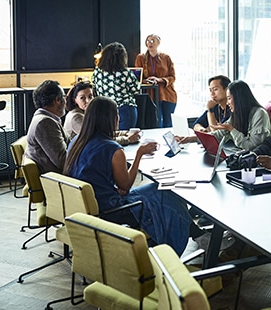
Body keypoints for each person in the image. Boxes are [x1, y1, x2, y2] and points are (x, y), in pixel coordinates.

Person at [63, 96, 192, 254]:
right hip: (111, 210)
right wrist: (139, 154)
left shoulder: (76, 141)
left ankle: (190, 234)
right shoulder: (112, 149)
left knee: (159, 192)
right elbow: (126, 185)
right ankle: (174, 248)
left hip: (88, 207)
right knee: (166, 193)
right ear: (112, 118)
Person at [63, 81, 141, 146]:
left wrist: (125, 133)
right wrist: (127, 139)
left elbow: (103, 134)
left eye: (90, 96)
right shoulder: (75, 117)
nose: (88, 101)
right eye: (82, 98)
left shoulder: (88, 113)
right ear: (74, 100)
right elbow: (98, 140)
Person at [212, 80, 271, 151]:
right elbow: (219, 135)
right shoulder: (238, 114)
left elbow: (251, 146)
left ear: (238, 98)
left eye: (229, 98)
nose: (227, 103)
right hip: (245, 158)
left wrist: (232, 129)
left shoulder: (260, 114)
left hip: (260, 160)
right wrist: (199, 137)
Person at [25, 80, 70, 174]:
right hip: (57, 179)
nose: (66, 101)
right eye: (65, 97)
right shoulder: (45, 123)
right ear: (57, 100)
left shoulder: (43, 118)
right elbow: (62, 161)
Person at [93, 42, 140, 130]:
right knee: (126, 138)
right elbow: (136, 89)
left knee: (109, 138)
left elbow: (94, 86)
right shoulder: (124, 73)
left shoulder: (97, 72)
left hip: (105, 109)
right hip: (124, 108)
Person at [134, 34, 177, 128]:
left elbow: (173, 77)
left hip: (167, 95)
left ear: (158, 43)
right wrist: (148, 81)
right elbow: (137, 77)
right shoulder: (140, 58)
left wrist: (160, 80)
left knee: (168, 123)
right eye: (148, 41)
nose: (150, 43)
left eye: (152, 40)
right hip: (151, 95)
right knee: (156, 123)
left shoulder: (166, 57)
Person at [175, 75, 232, 144]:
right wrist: (202, 130)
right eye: (210, 90)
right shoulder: (216, 106)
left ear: (226, 90)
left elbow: (216, 134)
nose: (212, 93)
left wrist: (210, 110)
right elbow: (196, 124)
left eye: (215, 89)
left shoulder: (232, 108)